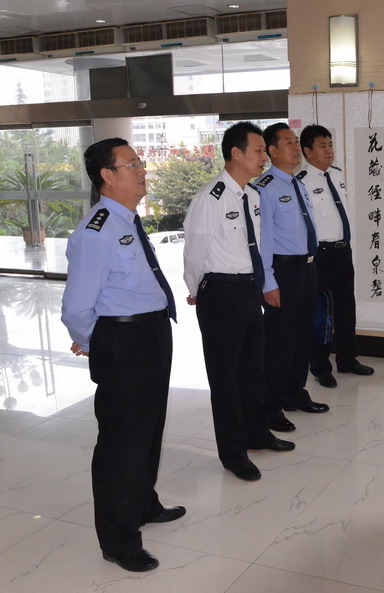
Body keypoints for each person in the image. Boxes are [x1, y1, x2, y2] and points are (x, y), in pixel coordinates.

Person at [61, 138, 185, 572]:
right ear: (107, 176)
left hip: (151, 333)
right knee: (122, 441)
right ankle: (118, 539)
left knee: (149, 428)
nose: (142, 169)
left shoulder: (126, 221)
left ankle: (143, 503)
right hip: (124, 341)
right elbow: (76, 307)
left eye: (139, 162)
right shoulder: (95, 231)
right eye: (132, 163)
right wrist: (95, 342)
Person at [183, 121, 294, 482]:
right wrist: (196, 289)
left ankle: (257, 434)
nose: (264, 157)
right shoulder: (211, 197)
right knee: (225, 377)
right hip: (220, 292)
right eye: (259, 151)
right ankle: (233, 453)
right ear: (236, 153)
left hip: (247, 290)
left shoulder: (253, 195)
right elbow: (194, 251)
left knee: (251, 369)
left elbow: (257, 247)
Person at [256, 123, 330, 432]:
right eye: (289, 142)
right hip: (282, 271)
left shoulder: (297, 185)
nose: (296, 147)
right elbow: (263, 240)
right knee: (280, 341)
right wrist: (268, 282)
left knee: (302, 336)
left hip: (307, 268)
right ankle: (271, 406)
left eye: (296, 141)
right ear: (272, 151)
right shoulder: (264, 188)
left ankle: (295, 393)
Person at [299, 124, 374, 387]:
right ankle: (320, 366)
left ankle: (347, 359)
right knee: (321, 313)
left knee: (345, 308)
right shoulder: (301, 182)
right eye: (323, 146)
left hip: (343, 252)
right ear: (308, 151)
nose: (329, 150)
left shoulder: (337, 175)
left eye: (330, 144)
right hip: (320, 255)